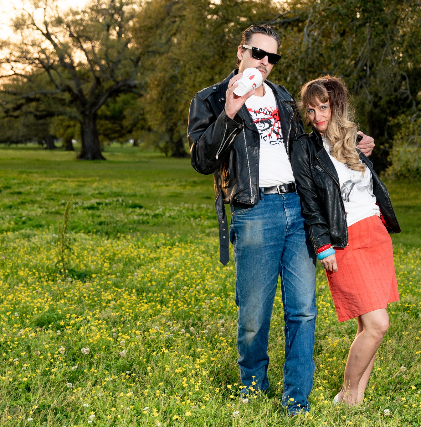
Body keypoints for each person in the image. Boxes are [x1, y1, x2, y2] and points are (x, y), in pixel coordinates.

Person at [187, 25, 374, 414]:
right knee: (254, 314)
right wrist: (229, 112)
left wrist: (351, 141)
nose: (265, 63)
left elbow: (309, 146)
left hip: (298, 208)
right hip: (255, 210)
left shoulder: (283, 98)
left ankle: (296, 400)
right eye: (258, 53)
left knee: (303, 310)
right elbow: (202, 160)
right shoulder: (210, 99)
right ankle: (253, 389)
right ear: (241, 51)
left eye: (272, 57)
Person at [290, 76, 400, 406]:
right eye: (310, 110)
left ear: (337, 106)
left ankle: (356, 398)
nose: (316, 116)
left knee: (369, 325)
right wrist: (322, 244)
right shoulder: (306, 148)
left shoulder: (354, 141)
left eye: (323, 107)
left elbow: (367, 185)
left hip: (375, 234)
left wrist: (362, 144)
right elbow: (310, 201)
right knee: (378, 325)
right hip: (345, 239)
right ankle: (347, 392)